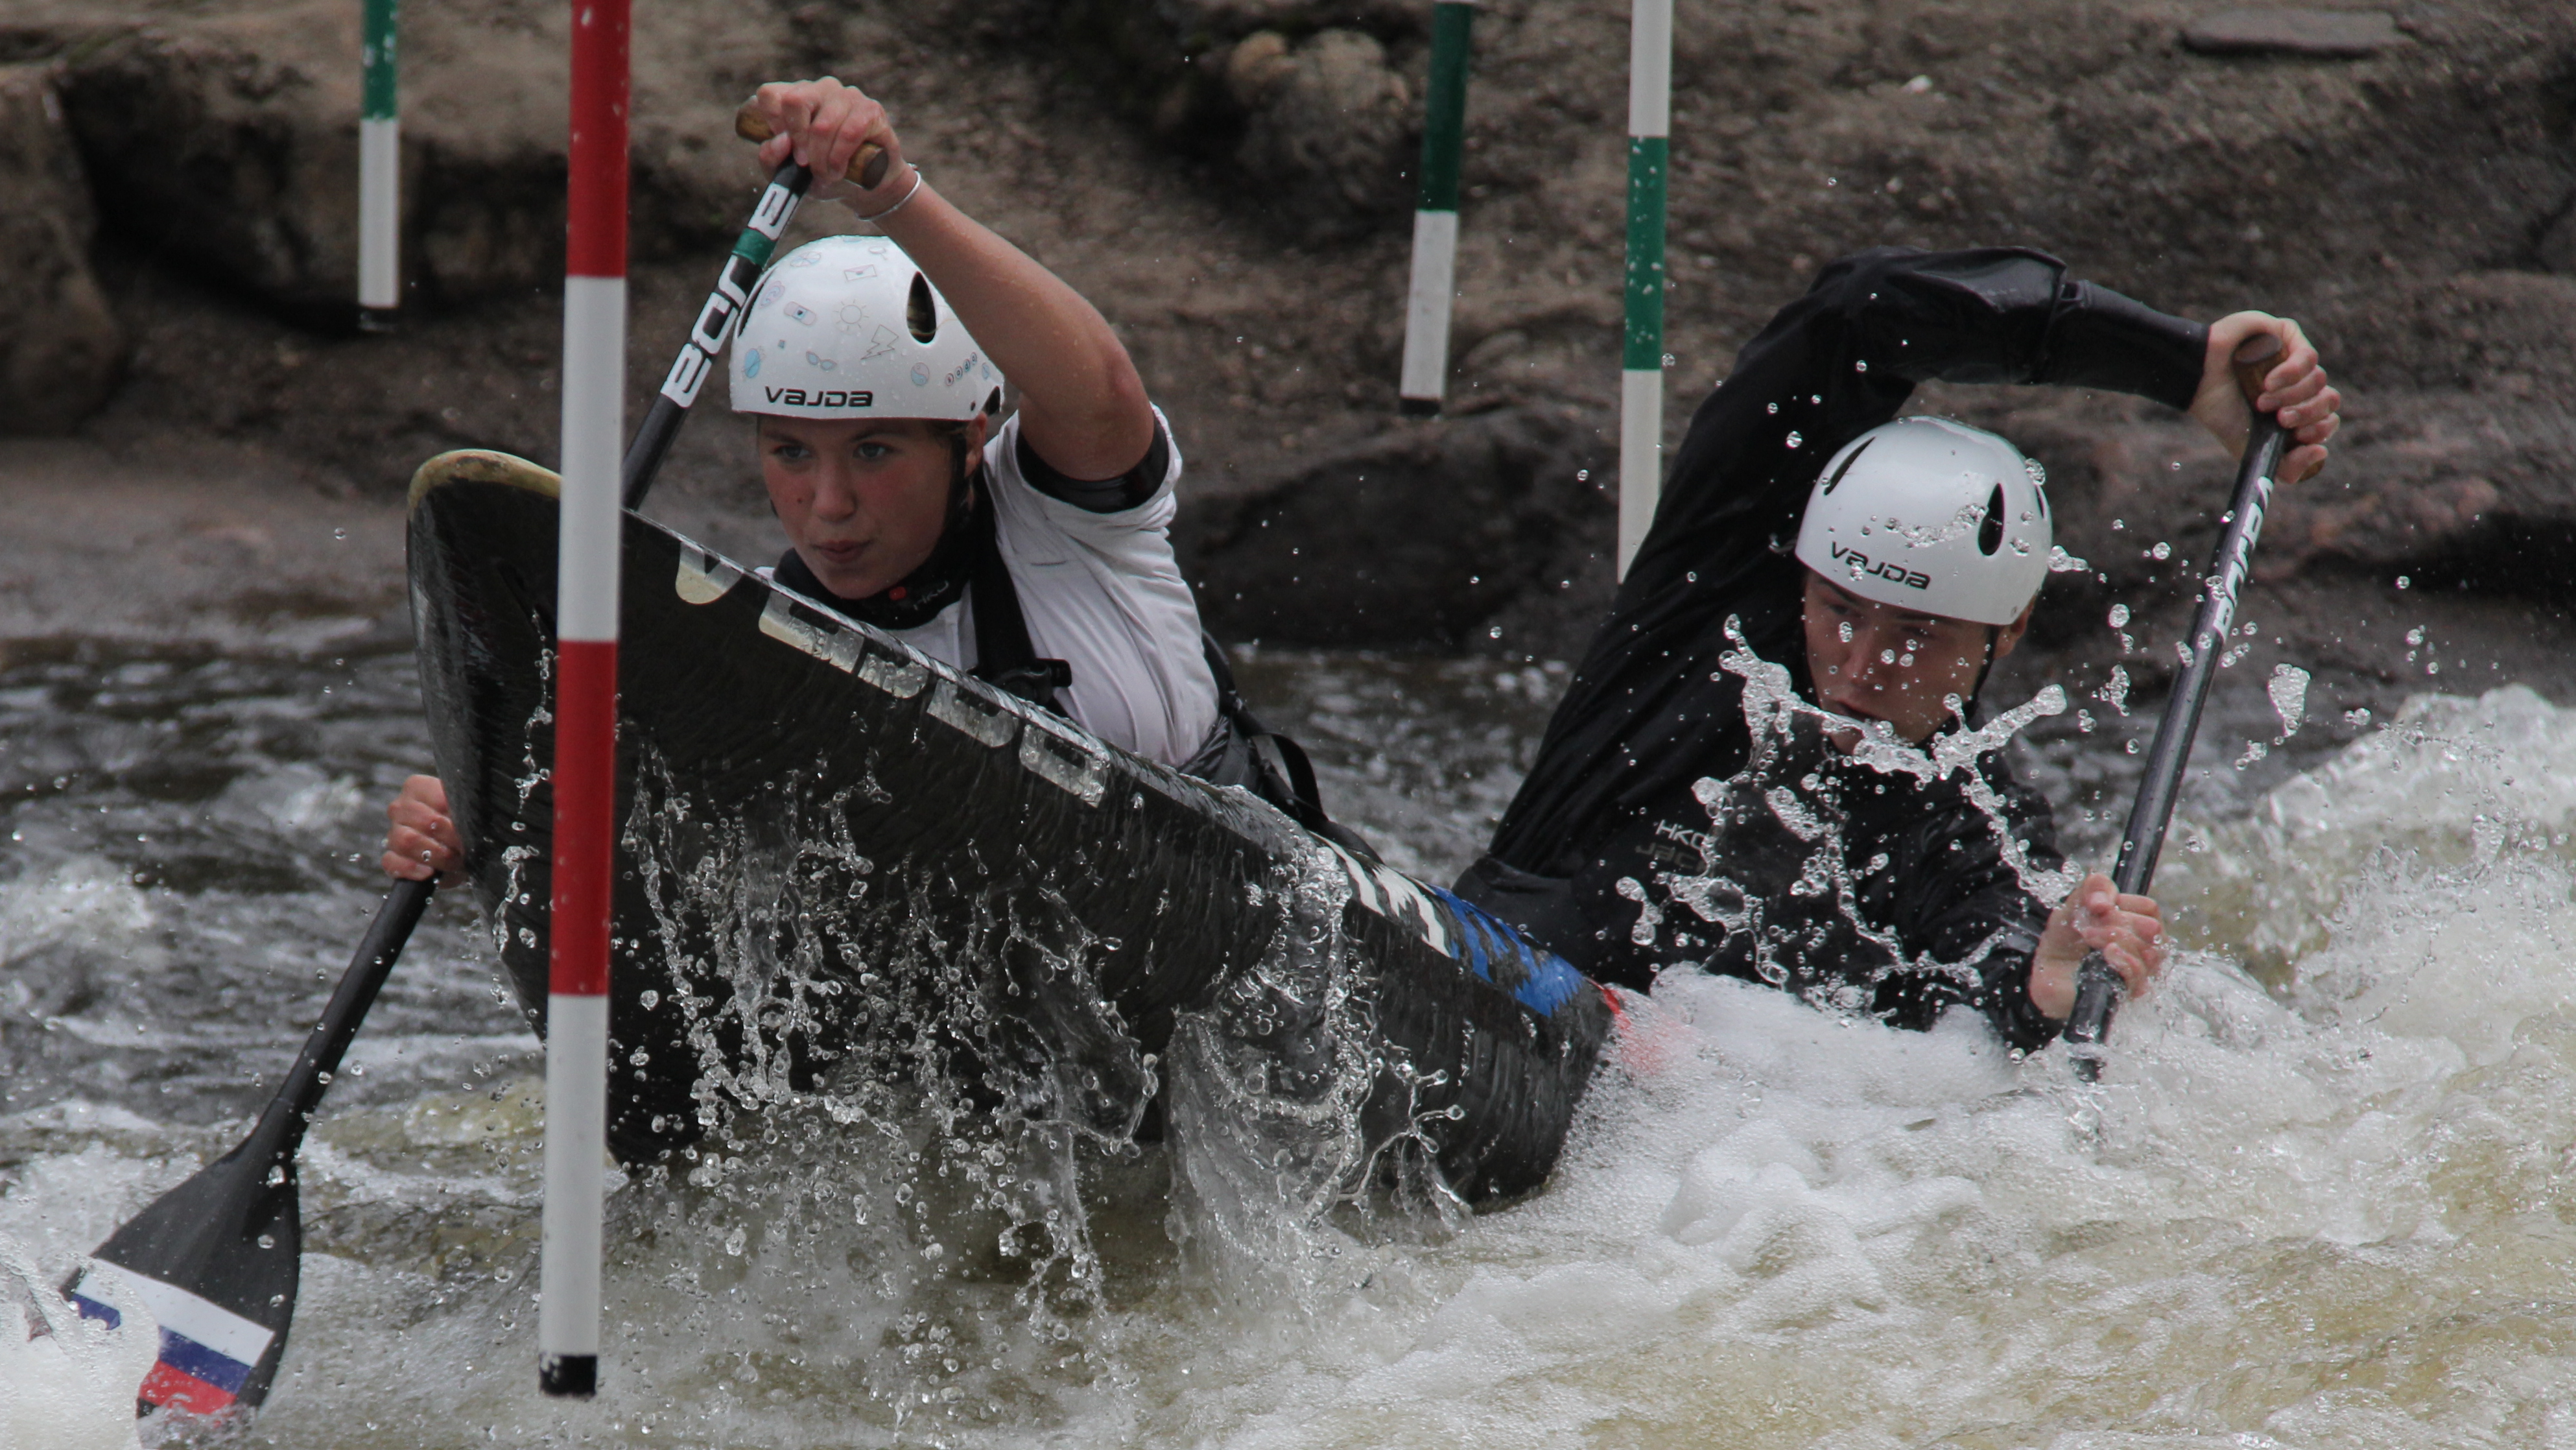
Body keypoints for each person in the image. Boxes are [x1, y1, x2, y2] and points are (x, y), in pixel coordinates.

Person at [1449, 248, 2343, 1049]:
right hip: (1490, 976)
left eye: (1917, 634)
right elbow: (1859, 311)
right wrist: (2177, 362)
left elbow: (1996, 970)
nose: (1862, 663)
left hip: (1681, 1120)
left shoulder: (1972, 823)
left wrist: (2046, 988)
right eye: (1839, 610)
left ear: (2010, 628)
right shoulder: (1699, 617)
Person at [384, 75, 1257, 886]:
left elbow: (1099, 391)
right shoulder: (761, 656)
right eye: (792, 453)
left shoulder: (1067, 518)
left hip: (1248, 892)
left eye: (875, 452)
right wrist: (501, 819)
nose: (828, 506)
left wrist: (894, 196)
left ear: (969, 438)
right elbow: (660, 860)